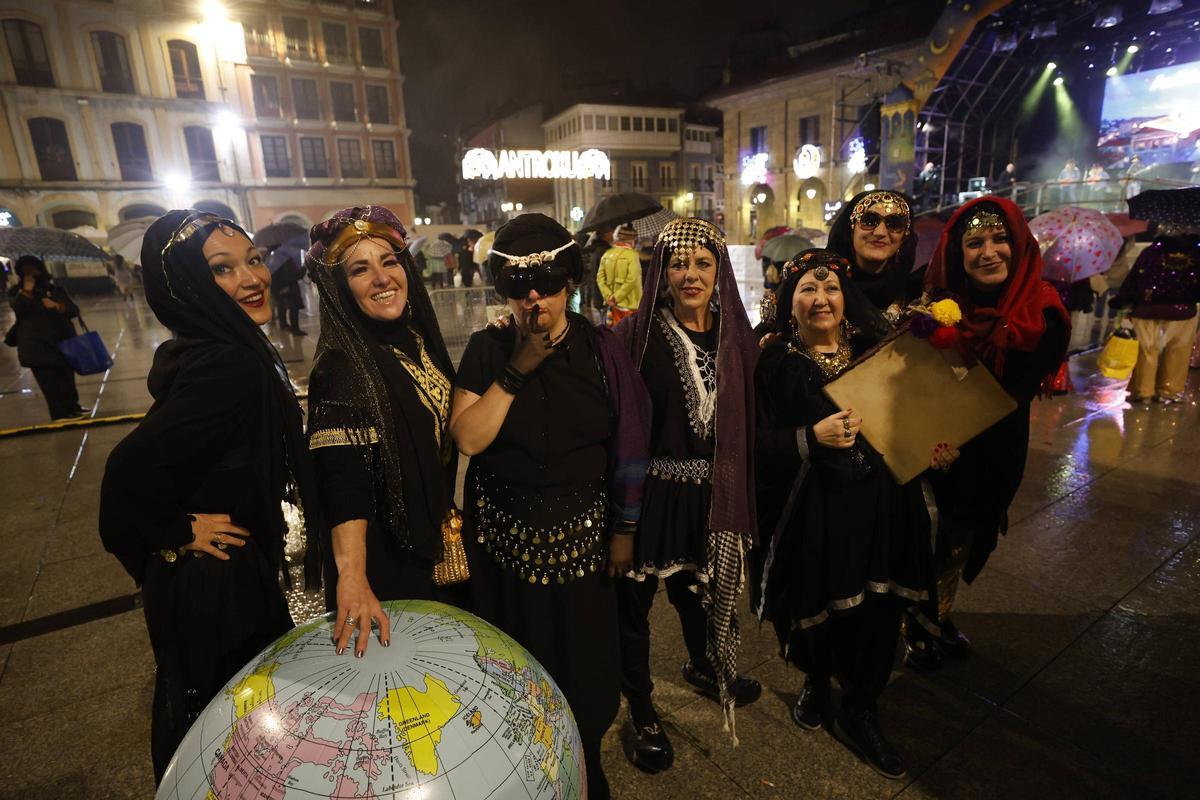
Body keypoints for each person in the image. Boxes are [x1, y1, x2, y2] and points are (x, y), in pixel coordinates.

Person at [98, 210, 321, 782]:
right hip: (218, 587)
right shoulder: (231, 364)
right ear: (186, 286)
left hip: (217, 579)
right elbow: (127, 469)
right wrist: (177, 531)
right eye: (223, 269)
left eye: (253, 260)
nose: (252, 278)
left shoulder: (212, 346)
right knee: (228, 735)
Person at [450, 213, 650, 800]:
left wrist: (625, 528)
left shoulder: (601, 350)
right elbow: (469, 439)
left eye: (547, 284)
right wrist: (518, 368)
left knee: (586, 665)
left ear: (569, 282)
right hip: (505, 548)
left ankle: (584, 763)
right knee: (513, 666)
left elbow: (630, 440)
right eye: (518, 287)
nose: (533, 297)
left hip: (583, 544)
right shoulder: (488, 350)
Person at [755, 249, 930, 780]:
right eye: (807, 289)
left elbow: (914, 416)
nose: (821, 299)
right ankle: (816, 679)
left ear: (846, 297)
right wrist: (810, 437)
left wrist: (935, 445)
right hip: (813, 513)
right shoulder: (772, 363)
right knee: (818, 605)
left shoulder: (879, 352)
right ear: (789, 302)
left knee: (877, 609)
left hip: (883, 506)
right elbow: (753, 444)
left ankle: (861, 707)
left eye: (830, 288)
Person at [614, 218, 761, 772]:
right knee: (634, 606)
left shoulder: (736, 337)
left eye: (702, 263)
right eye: (679, 263)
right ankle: (641, 707)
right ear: (662, 271)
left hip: (712, 497)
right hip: (651, 494)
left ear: (719, 270)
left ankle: (703, 664)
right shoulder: (636, 336)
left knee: (699, 593)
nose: (690, 274)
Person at [910, 198, 1070, 663]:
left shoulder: (1043, 313)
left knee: (962, 534)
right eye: (974, 242)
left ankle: (933, 615)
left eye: (1000, 239)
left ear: (1019, 244)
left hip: (989, 446)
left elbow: (1011, 393)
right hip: (925, 438)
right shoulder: (935, 298)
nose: (988, 252)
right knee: (919, 533)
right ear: (957, 252)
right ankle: (919, 621)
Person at [305, 206, 461, 655]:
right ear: (339, 288)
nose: (381, 278)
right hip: (385, 562)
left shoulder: (418, 340)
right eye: (359, 270)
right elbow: (344, 485)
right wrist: (353, 577)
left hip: (431, 542)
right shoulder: (340, 367)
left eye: (389, 261)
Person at [1111, 232, 1200, 405]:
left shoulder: (1151, 252)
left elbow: (1135, 278)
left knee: (1147, 350)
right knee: (1178, 351)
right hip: (1183, 309)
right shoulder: (1196, 254)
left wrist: (1123, 301)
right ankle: (1169, 391)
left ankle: (1144, 391)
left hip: (1147, 307)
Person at [6, 255, 86, 420]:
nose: (30, 274)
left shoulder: (55, 290)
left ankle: (73, 407)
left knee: (66, 377)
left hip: (61, 342)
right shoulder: (17, 292)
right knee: (49, 382)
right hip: (35, 346)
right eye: (25, 270)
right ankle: (60, 413)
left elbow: (73, 310)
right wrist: (27, 290)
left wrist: (56, 305)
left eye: (33, 269)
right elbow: (20, 309)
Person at [826, 190, 923, 325]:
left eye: (894, 224)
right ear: (851, 230)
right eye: (869, 221)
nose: (880, 232)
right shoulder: (821, 286)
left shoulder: (916, 297)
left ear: (904, 238)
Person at [596, 223, 643, 326]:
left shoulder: (607, 253)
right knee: (629, 332)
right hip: (630, 304)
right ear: (632, 240)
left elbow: (600, 278)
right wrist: (617, 297)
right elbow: (632, 279)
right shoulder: (632, 255)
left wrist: (609, 296)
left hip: (612, 305)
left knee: (615, 331)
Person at [269, 249, 307, 335]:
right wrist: (303, 269)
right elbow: (293, 275)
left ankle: (283, 324)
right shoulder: (287, 261)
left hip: (281, 288)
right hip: (290, 288)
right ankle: (295, 329)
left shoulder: (276, 260)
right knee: (294, 308)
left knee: (282, 306)